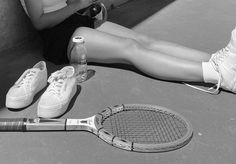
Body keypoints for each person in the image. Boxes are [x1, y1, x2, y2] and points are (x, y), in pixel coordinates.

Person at [20, 0, 236, 95]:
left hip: (77, 21)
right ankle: (218, 75)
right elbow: (39, 21)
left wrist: (85, 6)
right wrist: (77, 5)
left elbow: (68, 4)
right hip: (60, 37)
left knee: (145, 40)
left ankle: (221, 62)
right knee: (130, 48)